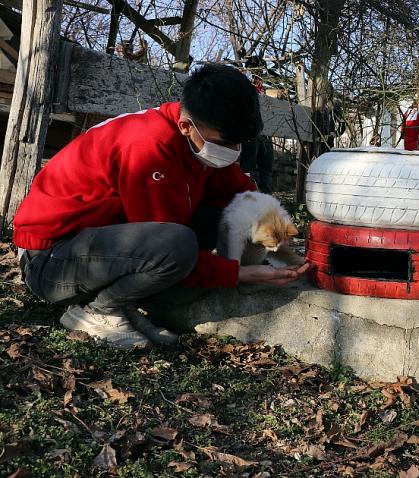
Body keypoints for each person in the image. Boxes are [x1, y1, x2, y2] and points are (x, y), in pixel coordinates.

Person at [13, 64, 311, 350]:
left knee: (234, 213)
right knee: (178, 244)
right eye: (227, 143)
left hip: (102, 244)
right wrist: (239, 274)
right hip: (51, 260)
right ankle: (99, 309)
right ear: (185, 126)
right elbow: (170, 248)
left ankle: (132, 298)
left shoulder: (200, 137)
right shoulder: (148, 147)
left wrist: (287, 254)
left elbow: (246, 198)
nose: (234, 153)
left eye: (240, 144)